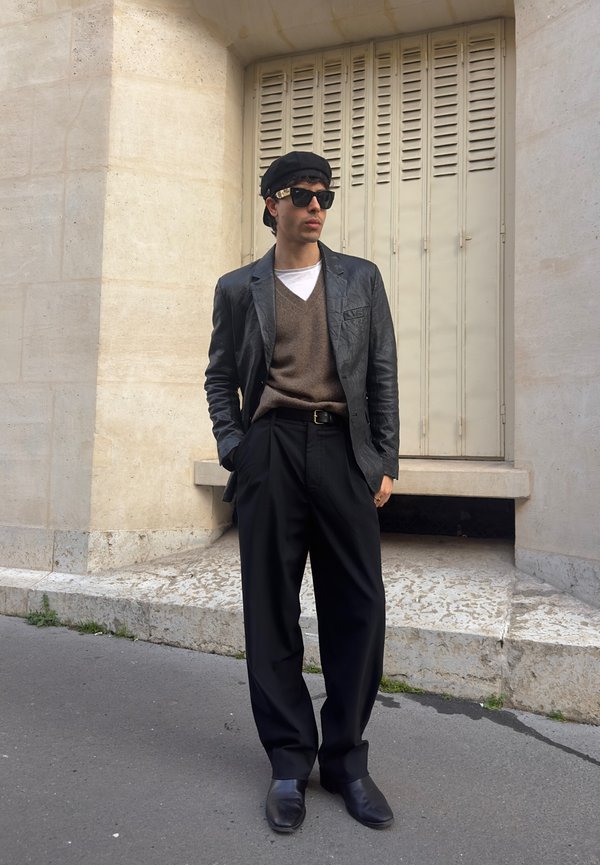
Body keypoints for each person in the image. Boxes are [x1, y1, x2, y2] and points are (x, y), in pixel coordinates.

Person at [204, 151, 399, 833]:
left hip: (344, 450)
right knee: (271, 609)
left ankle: (346, 759)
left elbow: (381, 375)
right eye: (300, 194)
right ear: (271, 205)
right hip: (271, 450)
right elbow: (219, 377)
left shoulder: (360, 280)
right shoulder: (238, 288)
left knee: (360, 608)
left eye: (324, 195)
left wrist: (384, 460)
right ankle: (289, 760)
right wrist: (237, 448)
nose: (315, 205)